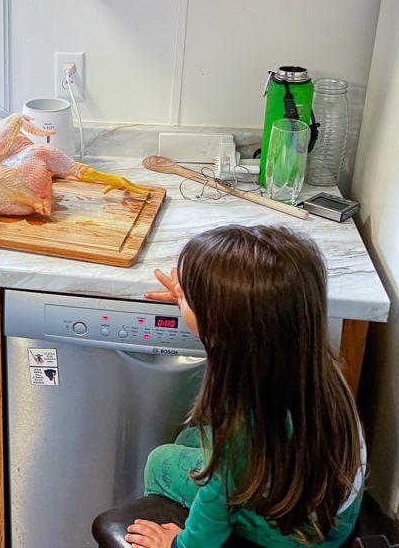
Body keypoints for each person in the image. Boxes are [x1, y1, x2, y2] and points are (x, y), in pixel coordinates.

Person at [125, 225, 366, 548]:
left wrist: (175, 544)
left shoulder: (242, 431)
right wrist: (198, 300)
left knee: (160, 460)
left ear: (222, 327)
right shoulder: (313, 363)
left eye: (189, 298)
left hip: (298, 537)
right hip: (331, 512)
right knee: (189, 438)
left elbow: (210, 517)